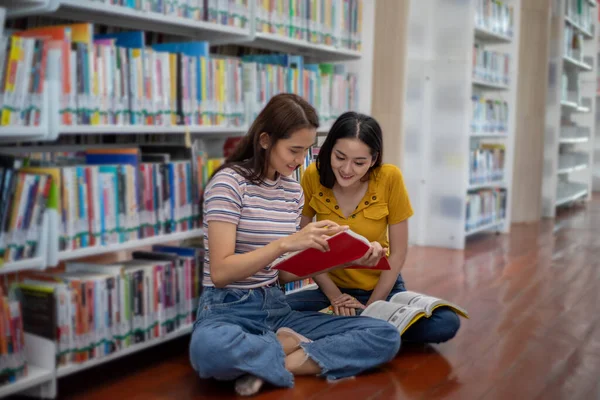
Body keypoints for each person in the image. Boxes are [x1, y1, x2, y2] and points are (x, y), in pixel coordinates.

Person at [189, 94, 401, 397]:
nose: (300, 160)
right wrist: (286, 244)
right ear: (265, 140)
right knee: (208, 352)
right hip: (228, 308)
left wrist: (345, 257)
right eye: (294, 150)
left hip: (276, 306)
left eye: (306, 151)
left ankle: (271, 363)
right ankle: (289, 348)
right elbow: (222, 272)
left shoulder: (291, 191)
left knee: (384, 335)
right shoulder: (229, 184)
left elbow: (283, 275)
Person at [286, 111, 461, 345]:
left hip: (382, 288)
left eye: (359, 163)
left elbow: (398, 253)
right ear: (329, 150)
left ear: (374, 159)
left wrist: (372, 308)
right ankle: (370, 334)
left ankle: (351, 330)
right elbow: (304, 244)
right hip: (330, 289)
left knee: (445, 322)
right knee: (272, 310)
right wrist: (336, 297)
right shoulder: (312, 176)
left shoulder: (390, 178)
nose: (347, 169)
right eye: (340, 157)